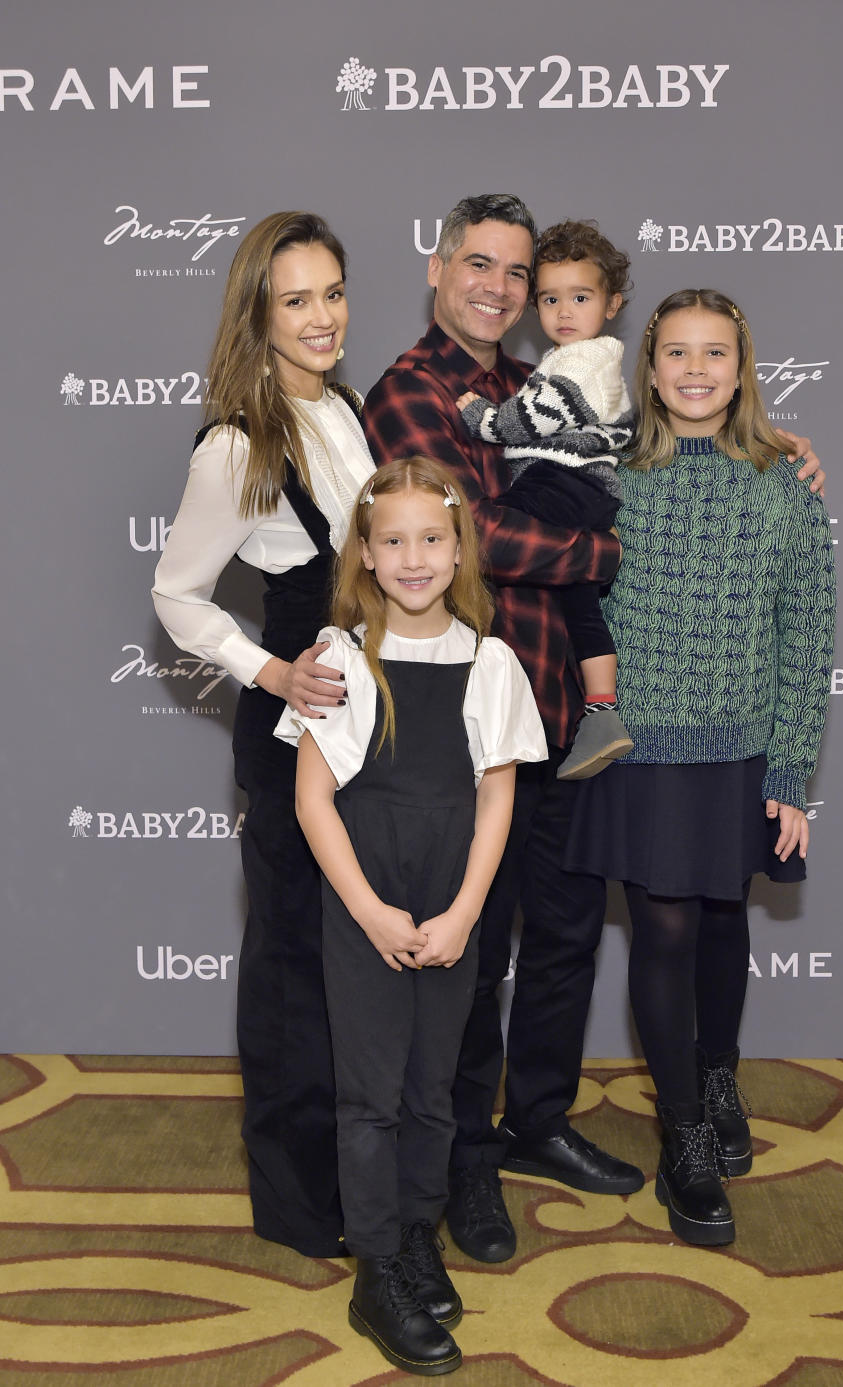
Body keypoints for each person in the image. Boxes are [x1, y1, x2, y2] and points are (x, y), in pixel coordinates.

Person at [362, 195, 826, 1265]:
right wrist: (605, 552)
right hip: (474, 719)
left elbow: (643, 461)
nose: (501, 288)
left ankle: (537, 1123)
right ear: (438, 268)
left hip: (568, 720)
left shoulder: (539, 389)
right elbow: (467, 535)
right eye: (478, 265)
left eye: (518, 274)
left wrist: (775, 444)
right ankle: (466, 1166)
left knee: (567, 938)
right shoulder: (414, 392)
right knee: (478, 955)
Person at [566, 289, 837, 1246]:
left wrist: (790, 772)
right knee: (666, 932)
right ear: (647, 367)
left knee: (725, 921)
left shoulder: (783, 485)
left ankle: (718, 1075)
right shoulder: (605, 478)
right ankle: (681, 1133)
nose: (693, 370)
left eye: (713, 353)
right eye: (674, 352)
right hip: (641, 752)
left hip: (744, 752)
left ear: (741, 366)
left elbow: (807, 637)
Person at [277, 457, 546, 1375]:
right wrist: (369, 912)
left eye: (432, 538)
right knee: (372, 1094)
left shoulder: (491, 658)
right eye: (391, 540)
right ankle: (376, 1265)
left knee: (435, 1088)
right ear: (364, 552)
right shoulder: (343, 657)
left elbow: (497, 797)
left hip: (450, 901)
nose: (414, 556)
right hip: (369, 898)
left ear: (460, 546)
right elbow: (315, 801)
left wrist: (468, 911)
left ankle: (418, 1231)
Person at [152, 212, 374, 1258]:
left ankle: (357, 1172)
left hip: (370, 723)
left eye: (332, 292)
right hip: (294, 727)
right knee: (292, 963)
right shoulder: (240, 441)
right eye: (297, 299)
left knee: (352, 956)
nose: (322, 316)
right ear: (258, 312)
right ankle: (298, 1203)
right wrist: (270, 668)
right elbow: (178, 595)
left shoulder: (350, 409)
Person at [457, 219, 635, 782]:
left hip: (568, 484)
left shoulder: (582, 361)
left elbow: (535, 415)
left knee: (486, 532)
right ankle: (603, 708)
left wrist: (480, 419)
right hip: (582, 488)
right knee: (580, 604)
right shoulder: (566, 358)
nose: (564, 312)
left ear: (612, 304)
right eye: (551, 299)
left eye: (580, 298)